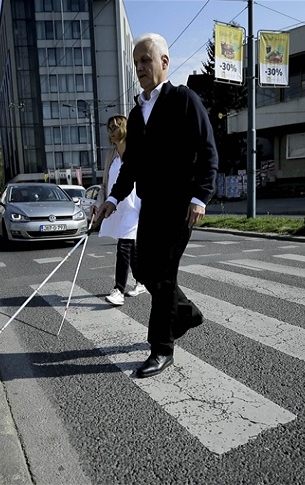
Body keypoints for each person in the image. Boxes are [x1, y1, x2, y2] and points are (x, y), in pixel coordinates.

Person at [98, 33, 218, 379]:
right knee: (145, 270)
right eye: (136, 63)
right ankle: (185, 312)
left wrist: (200, 197)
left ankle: (162, 348)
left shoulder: (184, 100)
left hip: (180, 206)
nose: (140, 68)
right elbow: (131, 165)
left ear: (164, 62)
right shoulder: (136, 115)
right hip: (150, 206)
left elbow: (208, 150)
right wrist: (111, 200)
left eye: (146, 61)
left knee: (163, 275)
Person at [93, 115, 147, 307]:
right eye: (110, 128)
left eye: (116, 126)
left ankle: (118, 290)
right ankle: (141, 282)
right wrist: (101, 204)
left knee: (123, 246)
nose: (112, 131)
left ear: (125, 128)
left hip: (135, 206)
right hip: (118, 208)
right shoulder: (111, 156)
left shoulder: (137, 151)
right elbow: (106, 183)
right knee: (130, 248)